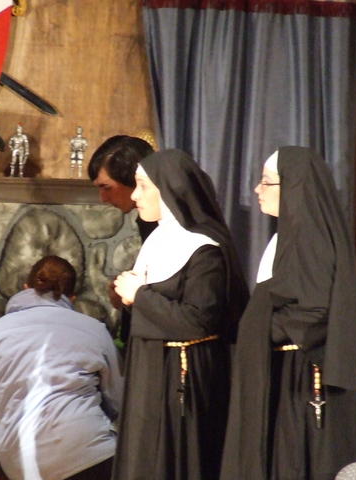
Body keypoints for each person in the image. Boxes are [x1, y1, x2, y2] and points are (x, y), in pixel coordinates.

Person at [220, 147, 356, 480]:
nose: (257, 189)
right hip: (285, 370)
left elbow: (314, 314)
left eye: (266, 182)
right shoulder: (288, 237)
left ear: (293, 187)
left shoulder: (310, 238)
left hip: (303, 377)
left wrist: (260, 326)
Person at [112, 149, 249, 480]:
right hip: (148, 370)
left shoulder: (204, 249)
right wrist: (129, 299)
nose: (134, 196)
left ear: (170, 189)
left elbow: (197, 321)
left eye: (143, 186)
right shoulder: (157, 240)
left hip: (183, 376)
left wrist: (139, 296)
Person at [0, 255, 123, 480]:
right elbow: (118, 399)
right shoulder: (94, 330)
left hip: (21, 463)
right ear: (72, 297)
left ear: (26, 287)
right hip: (90, 451)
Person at [88, 135, 156, 347]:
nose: (103, 198)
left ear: (136, 181)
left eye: (107, 187)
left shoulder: (170, 226)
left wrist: (134, 295)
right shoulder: (147, 221)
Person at [88, 135, 156, 240]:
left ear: (134, 178)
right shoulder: (148, 219)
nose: (103, 198)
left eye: (107, 187)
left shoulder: (168, 221)